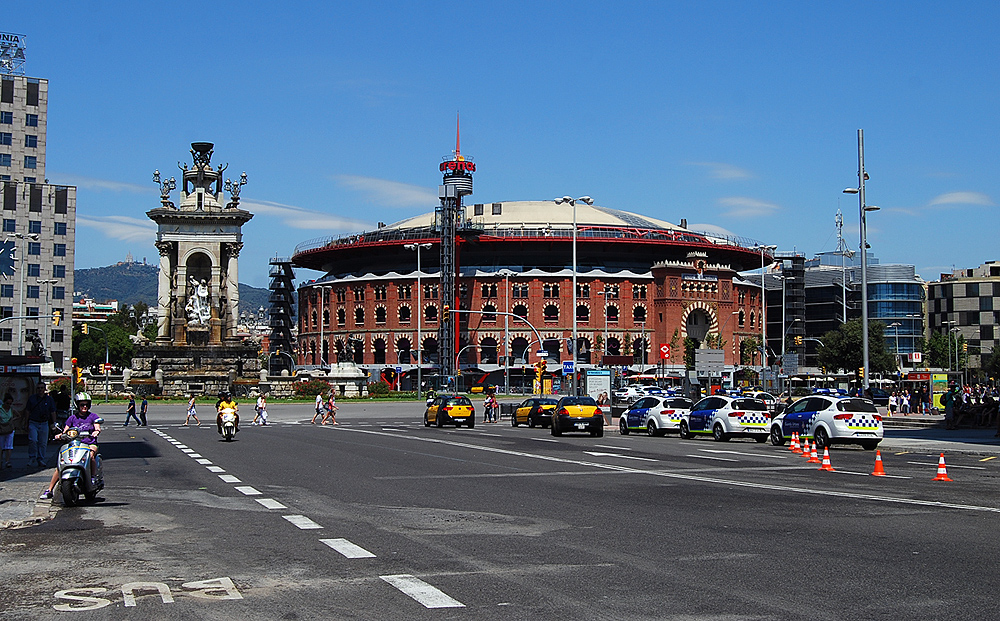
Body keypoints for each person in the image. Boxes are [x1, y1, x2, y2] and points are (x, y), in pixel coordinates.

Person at [41, 392, 102, 500]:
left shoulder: (93, 416)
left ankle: (92, 478)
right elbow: (66, 431)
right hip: (74, 444)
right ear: (77, 405)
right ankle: (49, 490)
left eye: (86, 404)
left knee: (91, 456)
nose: (84, 407)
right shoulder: (72, 418)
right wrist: (60, 435)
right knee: (61, 464)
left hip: (89, 443)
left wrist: (96, 431)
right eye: (82, 404)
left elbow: (97, 426)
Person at [26, 381, 57, 468]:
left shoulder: (49, 399)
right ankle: (32, 457)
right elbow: (27, 411)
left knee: (43, 442)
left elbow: (53, 411)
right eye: (38, 388)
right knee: (33, 440)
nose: (40, 390)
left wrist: (54, 423)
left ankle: (40, 459)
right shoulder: (32, 398)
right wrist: (26, 422)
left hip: (44, 423)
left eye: (42, 388)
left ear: (45, 389)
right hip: (33, 422)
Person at [0, 392, 15, 469]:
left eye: (10, 403)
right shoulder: (0, 409)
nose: (8, 405)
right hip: (1, 429)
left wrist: (12, 420)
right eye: (7, 403)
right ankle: (1, 460)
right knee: (1, 446)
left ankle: (7, 461)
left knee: (9, 446)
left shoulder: (11, 409)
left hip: (9, 429)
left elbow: (17, 415)